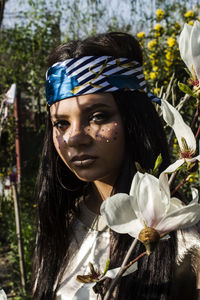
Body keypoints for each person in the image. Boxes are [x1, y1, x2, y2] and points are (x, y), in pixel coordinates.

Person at [32, 32, 200, 300]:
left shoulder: (185, 241)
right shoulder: (61, 224)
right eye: (61, 123)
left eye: (98, 116)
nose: (74, 137)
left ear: (134, 119)